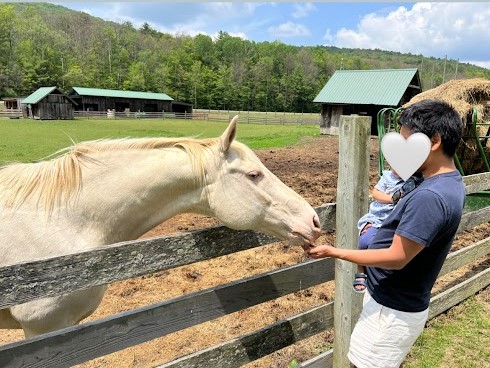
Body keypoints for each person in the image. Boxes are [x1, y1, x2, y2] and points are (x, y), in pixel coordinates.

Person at [305, 99, 465, 368]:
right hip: (395, 304)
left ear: (434, 142)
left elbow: (398, 256)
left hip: (390, 312)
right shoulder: (448, 182)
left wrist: (333, 251)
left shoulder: (430, 196)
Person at [353, 168, 404, 293]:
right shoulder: (388, 177)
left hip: (395, 221)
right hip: (377, 219)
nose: (396, 168)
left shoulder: (413, 181)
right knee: (365, 242)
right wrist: (392, 199)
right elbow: (376, 193)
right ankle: (361, 270)